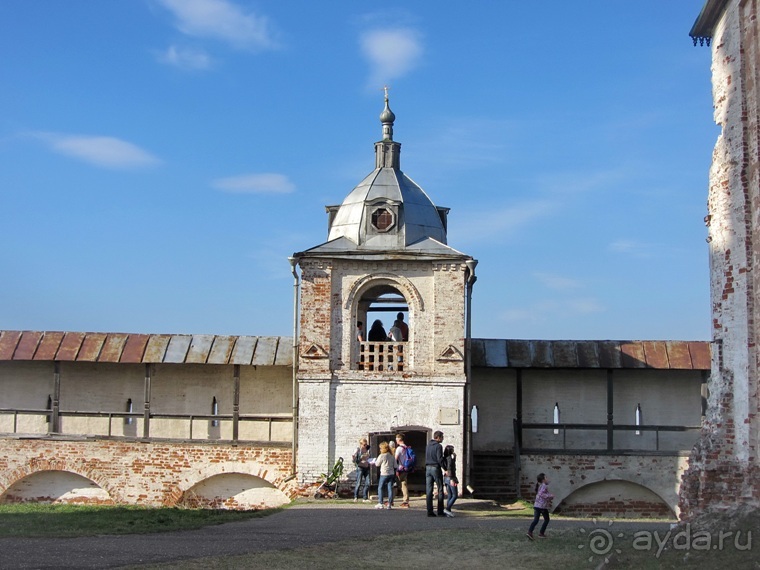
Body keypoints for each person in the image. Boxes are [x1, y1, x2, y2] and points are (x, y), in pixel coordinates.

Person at [527, 473, 554, 539]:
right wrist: (550, 496)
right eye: (546, 478)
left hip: (537, 505)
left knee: (536, 520)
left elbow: (541, 494)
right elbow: (541, 494)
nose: (547, 479)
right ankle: (541, 533)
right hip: (542, 507)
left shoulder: (541, 485)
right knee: (547, 519)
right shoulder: (544, 486)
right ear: (543, 480)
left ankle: (530, 532)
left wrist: (549, 497)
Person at [425, 430, 445, 517]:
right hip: (435, 468)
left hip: (428, 467)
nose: (443, 439)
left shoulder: (428, 445)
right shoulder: (438, 446)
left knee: (429, 490)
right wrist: (445, 468)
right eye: (442, 437)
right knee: (440, 489)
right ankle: (440, 511)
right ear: (438, 437)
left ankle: (429, 511)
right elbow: (439, 459)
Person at [374, 441, 396, 509]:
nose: (380, 450)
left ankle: (380, 503)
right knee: (390, 488)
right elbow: (395, 465)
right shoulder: (392, 456)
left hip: (384, 473)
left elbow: (377, 464)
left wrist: (374, 460)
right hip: (391, 473)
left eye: (380, 448)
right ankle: (389, 503)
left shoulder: (382, 456)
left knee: (380, 487)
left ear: (383, 449)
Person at [394, 433, 411, 508]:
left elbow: (395, 459)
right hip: (406, 467)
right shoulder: (406, 447)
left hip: (399, 468)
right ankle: (406, 500)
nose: (396, 441)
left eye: (396, 439)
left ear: (399, 439)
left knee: (394, 484)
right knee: (404, 483)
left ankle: (391, 500)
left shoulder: (399, 448)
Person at [352, 438, 371, 503]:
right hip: (360, 467)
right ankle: (355, 497)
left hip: (367, 467)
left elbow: (369, 457)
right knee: (358, 483)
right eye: (364, 444)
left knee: (368, 483)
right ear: (361, 444)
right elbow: (354, 461)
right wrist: (360, 458)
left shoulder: (368, 449)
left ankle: (365, 498)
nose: (365, 446)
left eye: (366, 444)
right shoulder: (358, 450)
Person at [442, 444, 459, 517]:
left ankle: (448, 512)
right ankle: (447, 509)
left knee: (450, 495)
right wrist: (452, 479)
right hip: (450, 478)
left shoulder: (445, 458)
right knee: (455, 495)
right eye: (452, 449)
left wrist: (454, 458)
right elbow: (450, 469)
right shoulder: (449, 459)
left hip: (446, 478)